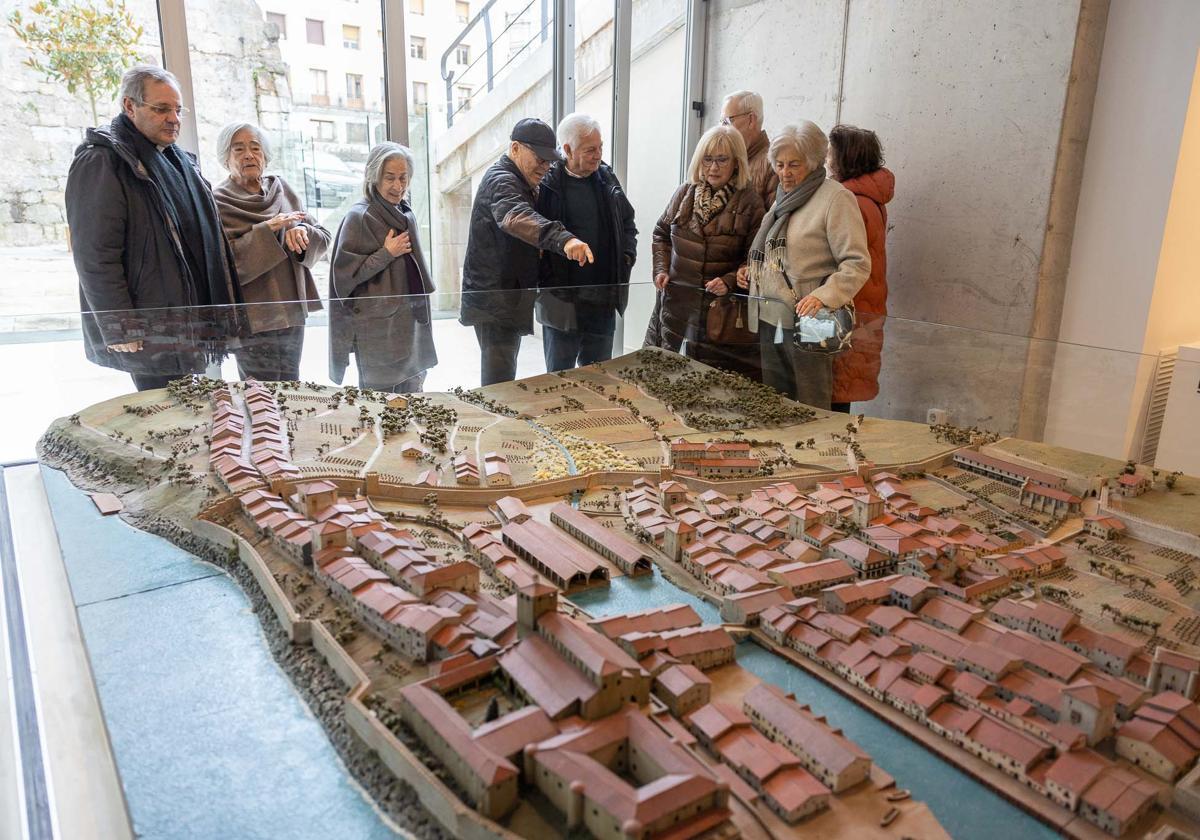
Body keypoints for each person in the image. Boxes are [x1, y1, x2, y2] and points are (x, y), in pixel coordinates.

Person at [65, 64, 243, 391]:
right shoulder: (103, 162)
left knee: (187, 413)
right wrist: (120, 325)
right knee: (165, 418)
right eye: (161, 109)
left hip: (186, 320)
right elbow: (94, 255)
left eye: (177, 110)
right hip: (149, 327)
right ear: (129, 106)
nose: (174, 118)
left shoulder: (178, 162)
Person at [741, 122, 871, 409]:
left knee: (813, 400)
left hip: (814, 317)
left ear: (813, 163)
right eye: (779, 164)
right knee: (775, 401)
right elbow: (776, 252)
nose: (784, 173)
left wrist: (824, 296)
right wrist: (752, 271)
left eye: (793, 165)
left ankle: (816, 453)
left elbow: (857, 263)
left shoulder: (835, 198)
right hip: (770, 314)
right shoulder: (783, 198)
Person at [459, 118, 595, 386]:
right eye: (539, 158)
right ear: (516, 148)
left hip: (507, 298)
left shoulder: (522, 180)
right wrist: (564, 240)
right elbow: (515, 216)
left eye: (549, 161)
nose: (545, 167)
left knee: (503, 375)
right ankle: (495, 427)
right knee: (499, 383)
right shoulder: (501, 180)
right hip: (494, 301)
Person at [213, 122, 330, 382]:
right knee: (259, 395)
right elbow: (222, 262)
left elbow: (323, 236)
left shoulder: (282, 188)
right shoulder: (219, 201)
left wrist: (301, 232)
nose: (249, 155)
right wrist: (268, 230)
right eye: (238, 149)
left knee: (291, 387)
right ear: (225, 158)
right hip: (252, 320)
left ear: (265, 155)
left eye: (255, 148)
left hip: (291, 313)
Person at [648, 124, 764, 380]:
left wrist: (730, 281)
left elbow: (756, 258)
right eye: (708, 159)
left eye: (722, 160)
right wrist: (661, 268)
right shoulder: (684, 193)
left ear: (736, 162)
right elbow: (660, 234)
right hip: (677, 306)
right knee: (665, 377)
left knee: (710, 385)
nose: (713, 167)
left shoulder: (750, 202)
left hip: (719, 315)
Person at [328, 142, 437, 393]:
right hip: (377, 334)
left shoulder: (405, 213)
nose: (398, 186)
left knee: (414, 401)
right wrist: (387, 253)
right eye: (389, 178)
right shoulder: (360, 216)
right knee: (380, 408)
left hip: (409, 325)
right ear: (374, 177)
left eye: (403, 178)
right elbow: (343, 278)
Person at [534, 113, 637, 372]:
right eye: (591, 149)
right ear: (567, 149)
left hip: (602, 300)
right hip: (560, 301)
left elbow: (628, 223)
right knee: (559, 378)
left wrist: (626, 257)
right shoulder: (545, 184)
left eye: (601, 147)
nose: (598, 154)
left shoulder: (607, 178)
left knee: (600, 377)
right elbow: (536, 234)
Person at [827, 125, 894, 413]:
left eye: (830, 153)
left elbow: (846, 261)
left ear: (845, 158)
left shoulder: (851, 201)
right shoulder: (870, 199)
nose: (826, 160)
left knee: (834, 393)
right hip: (862, 308)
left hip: (847, 309)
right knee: (840, 391)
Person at [722, 90, 778, 211]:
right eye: (722, 122)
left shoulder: (773, 163)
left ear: (751, 120)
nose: (723, 128)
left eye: (728, 121)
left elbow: (773, 220)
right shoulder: (726, 159)